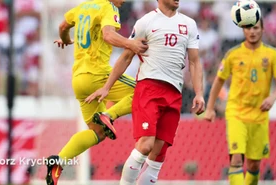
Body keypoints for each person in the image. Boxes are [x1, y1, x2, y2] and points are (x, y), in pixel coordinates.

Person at [86, 0, 205, 184]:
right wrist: (107, 87)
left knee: (158, 155)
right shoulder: (146, 22)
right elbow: (126, 56)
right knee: (146, 145)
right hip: (149, 89)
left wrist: (199, 93)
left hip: (174, 94)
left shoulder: (189, 24)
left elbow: (195, 61)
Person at [45, 0, 148, 184]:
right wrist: (130, 44)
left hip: (78, 79)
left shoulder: (81, 7)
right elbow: (108, 35)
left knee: (98, 132)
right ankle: (109, 114)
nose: (124, 1)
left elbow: (63, 25)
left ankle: (59, 161)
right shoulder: (108, 7)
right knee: (145, 91)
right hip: (98, 75)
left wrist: (67, 40)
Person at [204, 19, 276, 185]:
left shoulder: (272, 54)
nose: (252, 32)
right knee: (236, 159)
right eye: (248, 28)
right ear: (243, 31)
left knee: (254, 164)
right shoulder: (233, 54)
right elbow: (218, 81)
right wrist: (210, 107)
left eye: (256, 28)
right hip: (237, 113)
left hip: (259, 115)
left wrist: (272, 97)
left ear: (263, 29)